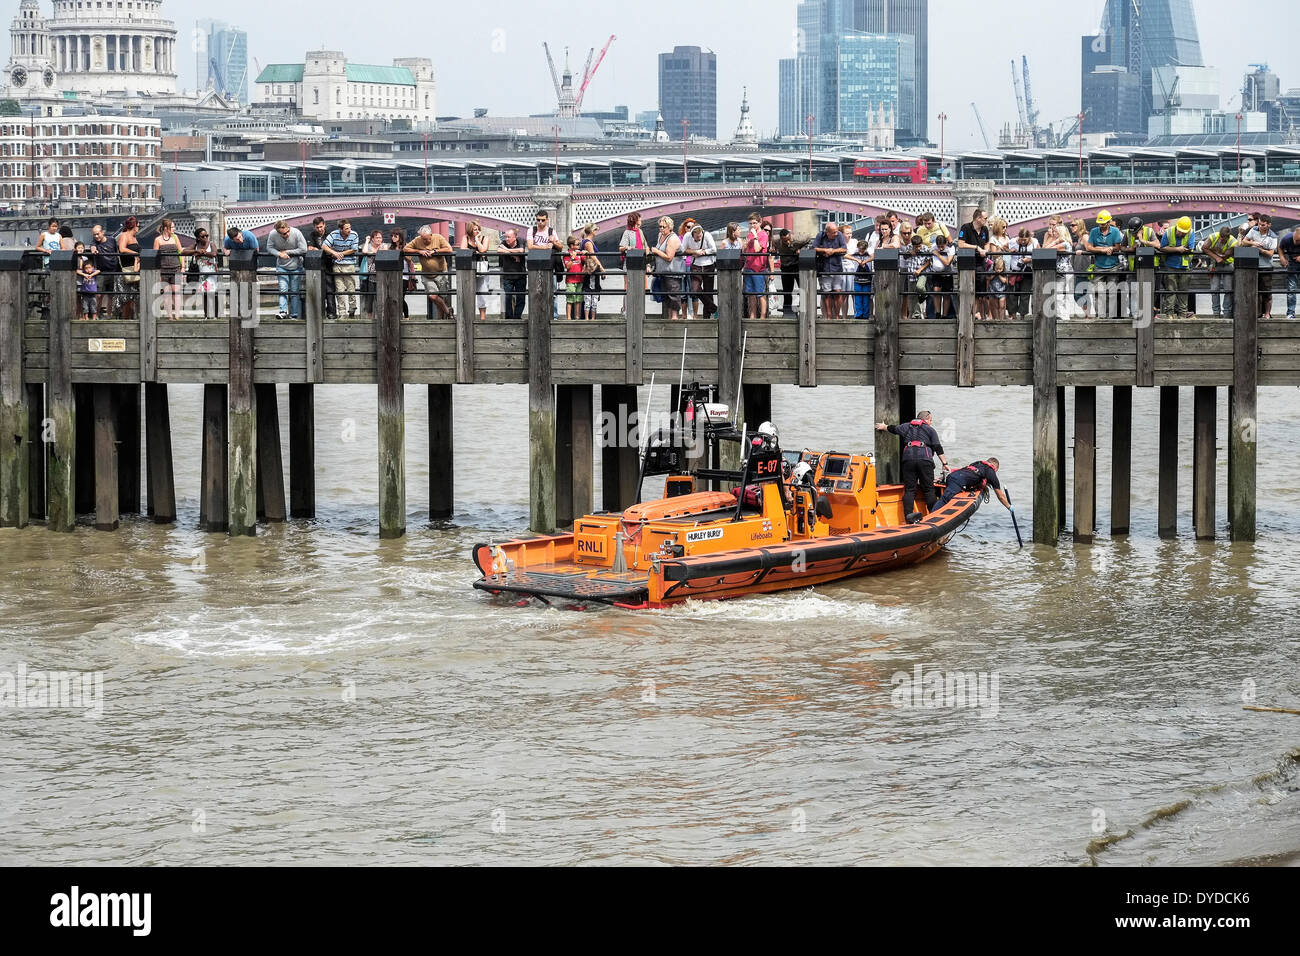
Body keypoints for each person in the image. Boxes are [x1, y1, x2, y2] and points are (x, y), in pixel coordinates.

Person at [875, 411, 950, 523]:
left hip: (908, 460)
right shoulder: (930, 430)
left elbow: (893, 429)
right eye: (931, 420)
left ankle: (908, 517)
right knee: (929, 489)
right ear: (927, 419)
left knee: (909, 490)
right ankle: (934, 516)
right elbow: (938, 447)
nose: (931, 422)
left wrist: (883, 426)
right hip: (925, 461)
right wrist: (944, 464)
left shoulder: (906, 426)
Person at [404, 225, 454, 320]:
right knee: (433, 296)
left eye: (427, 239)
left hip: (441, 272)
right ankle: (448, 311)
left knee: (441, 298)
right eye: (423, 239)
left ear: (431, 235)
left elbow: (449, 249)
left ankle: (440, 320)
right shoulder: (417, 240)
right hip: (427, 274)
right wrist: (419, 251)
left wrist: (435, 251)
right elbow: (406, 249)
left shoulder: (438, 237)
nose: (425, 241)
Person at [1085, 210, 1126, 319]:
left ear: (1109, 222)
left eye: (1103, 224)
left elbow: (1118, 247)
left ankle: (1111, 317)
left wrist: (1111, 248)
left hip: (1113, 267)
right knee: (1099, 293)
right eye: (1100, 223)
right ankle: (1101, 316)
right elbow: (1088, 247)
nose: (1101, 226)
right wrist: (1103, 250)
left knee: (1112, 293)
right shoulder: (1094, 231)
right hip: (1099, 267)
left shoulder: (1116, 231)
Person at [938, 457, 1013, 513]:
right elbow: (1000, 496)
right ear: (995, 468)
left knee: (946, 499)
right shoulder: (991, 471)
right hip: (958, 481)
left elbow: (970, 473)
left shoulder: (978, 463)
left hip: (952, 476)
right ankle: (930, 520)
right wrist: (1009, 507)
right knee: (944, 500)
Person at [267, 219, 307, 319]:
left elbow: (304, 249)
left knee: (294, 291)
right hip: (281, 266)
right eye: (283, 234)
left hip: (296, 266)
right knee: (283, 289)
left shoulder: (297, 233)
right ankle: (283, 311)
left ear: (288, 227)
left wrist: (288, 252)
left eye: (287, 232)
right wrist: (279, 254)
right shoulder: (272, 234)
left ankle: (294, 314)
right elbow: (269, 247)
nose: (286, 235)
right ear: (277, 232)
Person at [527, 210, 563, 319]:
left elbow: (560, 247)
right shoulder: (531, 230)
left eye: (543, 220)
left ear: (547, 220)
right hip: (536, 265)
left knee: (553, 291)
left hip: (550, 265)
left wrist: (553, 242)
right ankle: (538, 314)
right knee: (536, 292)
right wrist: (545, 247)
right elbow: (530, 246)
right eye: (538, 220)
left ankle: (554, 315)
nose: (540, 222)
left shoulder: (551, 231)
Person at [1241, 214, 1278, 318]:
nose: (1261, 226)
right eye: (1260, 224)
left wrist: (1260, 250)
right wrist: (1253, 244)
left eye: (1263, 225)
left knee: (1267, 292)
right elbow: (1244, 241)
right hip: (1252, 265)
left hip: (1266, 266)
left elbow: (1271, 254)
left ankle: (1267, 313)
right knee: (1253, 292)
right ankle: (1256, 314)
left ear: (1269, 225)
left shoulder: (1273, 236)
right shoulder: (1254, 229)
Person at [1158, 215, 1196, 318]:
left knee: (1183, 291)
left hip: (1185, 266)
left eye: (1184, 232)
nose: (1182, 233)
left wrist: (1178, 249)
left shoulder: (1191, 233)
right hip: (1171, 265)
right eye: (1181, 231)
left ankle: (1182, 314)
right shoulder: (1169, 232)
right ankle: (1169, 314)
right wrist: (1177, 249)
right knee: (1171, 291)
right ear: (1177, 227)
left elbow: (1191, 248)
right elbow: (1162, 248)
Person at [958, 208, 991, 319]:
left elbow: (987, 243)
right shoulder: (966, 228)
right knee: (969, 289)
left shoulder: (985, 229)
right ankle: (970, 314)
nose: (986, 220)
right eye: (985, 218)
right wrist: (977, 248)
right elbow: (961, 244)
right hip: (968, 263)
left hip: (981, 263)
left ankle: (981, 314)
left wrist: (985, 250)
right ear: (978, 218)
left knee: (981, 291)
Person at [323, 219, 361, 317]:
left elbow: (353, 249)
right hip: (337, 265)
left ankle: (352, 309)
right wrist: (334, 253)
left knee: (351, 289)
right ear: (340, 229)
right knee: (339, 291)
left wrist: (340, 253)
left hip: (349, 264)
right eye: (346, 228)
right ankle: (342, 313)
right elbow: (324, 246)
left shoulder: (354, 235)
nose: (349, 230)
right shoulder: (334, 234)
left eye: (349, 227)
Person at [651, 215, 683, 320]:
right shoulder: (660, 235)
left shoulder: (673, 238)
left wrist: (656, 251)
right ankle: (669, 318)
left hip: (672, 272)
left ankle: (674, 318)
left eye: (663, 227)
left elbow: (669, 257)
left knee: (673, 295)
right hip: (662, 272)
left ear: (670, 227)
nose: (661, 229)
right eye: (659, 226)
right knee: (666, 296)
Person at [1042, 214, 1074, 320]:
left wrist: (1054, 240)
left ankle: (1064, 316)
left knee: (1060, 295)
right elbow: (1043, 249)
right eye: (1050, 224)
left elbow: (1046, 250)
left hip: (1063, 272)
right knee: (1056, 295)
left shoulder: (1064, 244)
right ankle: (1060, 315)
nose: (1051, 228)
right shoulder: (1056, 239)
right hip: (1057, 270)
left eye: (1053, 225)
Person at [814, 221, 848, 320]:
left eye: (836, 231)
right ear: (827, 232)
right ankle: (829, 316)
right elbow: (814, 248)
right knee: (826, 292)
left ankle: (837, 316)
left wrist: (832, 251)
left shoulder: (839, 235)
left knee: (838, 291)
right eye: (833, 232)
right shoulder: (820, 235)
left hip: (836, 267)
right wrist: (825, 250)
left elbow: (844, 249)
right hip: (824, 267)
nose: (836, 234)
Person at [1200, 226, 1237, 318]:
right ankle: (1216, 313)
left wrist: (1212, 251)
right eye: (1220, 236)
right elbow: (1204, 248)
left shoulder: (1233, 242)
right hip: (1215, 265)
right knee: (1214, 290)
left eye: (1223, 238)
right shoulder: (1213, 236)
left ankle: (1226, 313)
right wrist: (1216, 256)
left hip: (1227, 265)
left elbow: (1226, 256)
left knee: (1228, 290)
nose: (1220, 239)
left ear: (1228, 237)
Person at [772, 228, 809, 315]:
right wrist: (773, 248)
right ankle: (787, 311)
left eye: (788, 239)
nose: (787, 242)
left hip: (797, 265)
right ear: (781, 239)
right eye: (785, 241)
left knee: (803, 288)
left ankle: (804, 309)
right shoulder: (776, 240)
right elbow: (771, 242)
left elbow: (808, 238)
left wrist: (802, 250)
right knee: (787, 290)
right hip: (785, 266)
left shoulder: (797, 239)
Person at [683, 224, 717, 319]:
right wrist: (694, 251)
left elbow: (714, 249)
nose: (699, 238)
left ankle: (706, 317)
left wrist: (703, 252)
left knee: (708, 291)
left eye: (700, 236)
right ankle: (713, 308)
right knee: (695, 288)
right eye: (697, 236)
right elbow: (683, 250)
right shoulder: (687, 236)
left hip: (708, 265)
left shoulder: (707, 235)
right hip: (696, 265)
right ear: (692, 234)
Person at [306, 217, 336, 319]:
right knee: (317, 289)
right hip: (317, 266)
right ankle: (319, 313)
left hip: (328, 265)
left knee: (330, 289)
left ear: (324, 225)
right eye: (317, 227)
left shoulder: (330, 234)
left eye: (321, 227)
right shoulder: (312, 235)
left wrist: (318, 249)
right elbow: (310, 248)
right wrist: (325, 250)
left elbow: (332, 249)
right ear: (314, 227)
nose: (319, 229)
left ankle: (331, 312)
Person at [618, 212, 648, 316]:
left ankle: (639, 310)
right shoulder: (627, 232)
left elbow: (645, 246)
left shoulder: (640, 231)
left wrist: (647, 262)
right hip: (630, 263)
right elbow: (621, 247)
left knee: (640, 287)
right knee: (628, 287)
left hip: (640, 262)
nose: (641, 220)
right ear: (636, 220)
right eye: (640, 219)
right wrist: (627, 247)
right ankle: (626, 310)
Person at [154, 219, 183, 321]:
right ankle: (170, 315)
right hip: (164, 269)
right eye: (172, 227)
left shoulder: (175, 238)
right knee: (166, 293)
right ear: (166, 228)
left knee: (176, 292)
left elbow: (181, 252)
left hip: (176, 268)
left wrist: (182, 267)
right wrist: (157, 272)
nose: (174, 229)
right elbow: (155, 256)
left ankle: (177, 315)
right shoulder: (158, 240)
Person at [89, 224, 121, 320]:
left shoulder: (112, 240)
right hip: (101, 272)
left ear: (103, 232)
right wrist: (94, 251)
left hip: (113, 270)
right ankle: (96, 315)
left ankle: (109, 315)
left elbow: (117, 252)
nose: (96, 236)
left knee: (111, 295)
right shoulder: (94, 242)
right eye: (94, 234)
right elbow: (92, 247)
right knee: (99, 295)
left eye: (98, 234)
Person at [462, 220, 491, 321]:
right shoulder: (465, 238)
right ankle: (469, 316)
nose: (477, 231)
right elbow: (463, 250)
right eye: (475, 229)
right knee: (467, 292)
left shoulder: (485, 238)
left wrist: (477, 240)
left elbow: (483, 250)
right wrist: (476, 251)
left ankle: (482, 318)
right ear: (470, 230)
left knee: (482, 292)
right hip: (469, 268)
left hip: (482, 268)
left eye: (478, 229)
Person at [742, 212, 769, 318]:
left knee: (760, 294)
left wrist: (755, 236)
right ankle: (752, 315)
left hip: (758, 268)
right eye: (750, 223)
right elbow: (745, 250)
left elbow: (758, 249)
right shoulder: (749, 235)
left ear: (759, 223)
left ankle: (762, 317)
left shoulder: (763, 235)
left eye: (754, 223)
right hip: (748, 266)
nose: (752, 225)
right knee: (750, 294)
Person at [1006, 228, 1037, 319]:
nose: (1022, 241)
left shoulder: (1034, 242)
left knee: (1025, 293)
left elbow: (1040, 253)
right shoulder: (1013, 241)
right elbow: (1004, 247)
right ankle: (1013, 315)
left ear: (1029, 238)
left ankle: (1022, 316)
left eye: (1025, 240)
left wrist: (1030, 259)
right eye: (1021, 239)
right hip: (1015, 271)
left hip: (1027, 271)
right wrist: (1009, 251)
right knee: (1013, 293)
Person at [497, 228, 527, 320]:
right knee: (508, 297)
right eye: (506, 236)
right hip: (508, 275)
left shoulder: (520, 240)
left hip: (520, 274)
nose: (506, 239)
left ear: (515, 237)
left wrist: (507, 250)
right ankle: (509, 318)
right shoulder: (504, 242)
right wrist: (514, 254)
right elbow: (499, 250)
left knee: (521, 298)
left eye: (509, 237)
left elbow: (521, 250)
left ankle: (517, 317)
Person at [116, 216, 141, 322]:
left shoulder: (135, 238)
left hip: (134, 269)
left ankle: (131, 319)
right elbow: (122, 249)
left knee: (133, 298)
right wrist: (136, 253)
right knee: (126, 298)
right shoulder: (124, 235)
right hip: (126, 269)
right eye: (138, 226)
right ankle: (124, 320)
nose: (139, 228)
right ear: (134, 226)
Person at [191, 228, 219, 319]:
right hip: (202, 274)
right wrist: (196, 251)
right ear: (198, 238)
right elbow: (183, 251)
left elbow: (214, 253)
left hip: (212, 273)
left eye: (207, 235)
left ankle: (215, 315)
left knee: (213, 294)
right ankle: (206, 315)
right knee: (205, 294)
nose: (206, 237)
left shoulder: (211, 244)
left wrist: (203, 253)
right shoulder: (196, 246)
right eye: (203, 236)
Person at [927, 233, 956, 318]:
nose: (940, 248)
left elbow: (947, 263)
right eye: (939, 246)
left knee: (946, 294)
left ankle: (945, 315)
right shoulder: (933, 247)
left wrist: (938, 254)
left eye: (942, 246)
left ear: (946, 243)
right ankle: (937, 313)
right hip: (936, 273)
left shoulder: (950, 248)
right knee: (936, 291)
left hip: (947, 273)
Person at [579, 223, 603, 321]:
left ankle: (588, 317)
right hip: (591, 269)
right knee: (590, 294)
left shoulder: (587, 241)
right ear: (592, 231)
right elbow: (593, 256)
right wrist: (601, 267)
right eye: (596, 230)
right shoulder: (588, 242)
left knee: (590, 296)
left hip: (591, 269)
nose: (596, 232)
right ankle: (588, 318)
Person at [360, 229, 385, 317]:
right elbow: (364, 251)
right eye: (377, 238)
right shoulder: (369, 246)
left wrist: (373, 253)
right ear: (372, 239)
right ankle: (370, 317)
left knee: (381, 298)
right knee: (370, 298)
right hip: (370, 276)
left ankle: (381, 316)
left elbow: (385, 253)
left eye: (380, 238)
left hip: (381, 276)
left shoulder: (383, 246)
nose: (379, 239)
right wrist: (367, 241)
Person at [1278, 225, 1300, 320]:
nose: (1296, 242)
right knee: (1291, 288)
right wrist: (1282, 257)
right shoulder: (1287, 238)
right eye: (1295, 240)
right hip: (1293, 263)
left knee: (1292, 288)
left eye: (1298, 241)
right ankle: (1290, 312)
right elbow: (1280, 247)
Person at [848, 239, 873, 320]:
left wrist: (865, 261)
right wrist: (857, 260)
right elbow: (845, 255)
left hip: (867, 279)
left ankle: (866, 315)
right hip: (857, 279)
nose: (861, 251)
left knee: (866, 299)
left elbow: (874, 256)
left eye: (863, 250)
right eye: (860, 249)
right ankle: (858, 315)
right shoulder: (855, 253)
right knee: (857, 298)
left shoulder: (869, 253)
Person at [561, 235, 585, 320]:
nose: (579, 246)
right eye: (577, 244)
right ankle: (568, 317)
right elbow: (567, 266)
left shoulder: (579, 253)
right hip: (571, 280)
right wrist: (572, 258)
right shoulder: (567, 255)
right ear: (571, 246)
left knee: (579, 299)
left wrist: (585, 254)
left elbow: (585, 260)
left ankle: (577, 317)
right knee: (570, 299)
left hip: (580, 279)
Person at [77, 248, 99, 321]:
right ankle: (86, 318)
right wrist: (84, 274)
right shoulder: (84, 272)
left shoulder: (94, 272)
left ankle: (94, 318)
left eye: (89, 268)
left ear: (93, 267)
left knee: (93, 306)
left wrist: (92, 275)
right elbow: (77, 271)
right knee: (85, 306)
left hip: (93, 293)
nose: (88, 270)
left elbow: (98, 271)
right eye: (86, 268)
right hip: (85, 292)